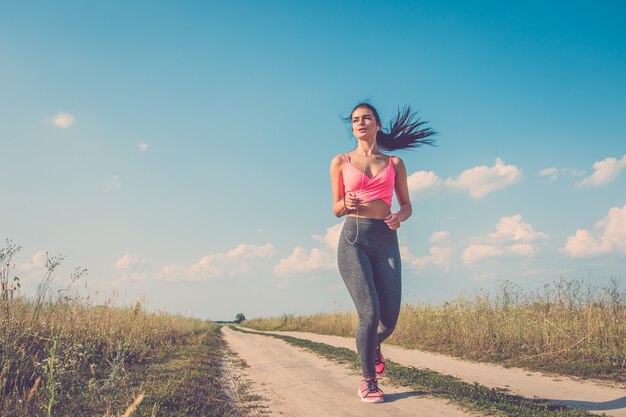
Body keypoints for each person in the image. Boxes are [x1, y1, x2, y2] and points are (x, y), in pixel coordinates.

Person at [329, 102, 435, 403]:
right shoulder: (340, 161)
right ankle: (368, 381)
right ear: (352, 128)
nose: (360, 123)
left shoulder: (395, 163)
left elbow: (407, 206)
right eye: (355, 120)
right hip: (354, 239)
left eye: (366, 118)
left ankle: (371, 345)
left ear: (377, 124)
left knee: (388, 320)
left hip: (386, 239)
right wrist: (345, 204)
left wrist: (399, 217)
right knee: (369, 311)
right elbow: (335, 208)